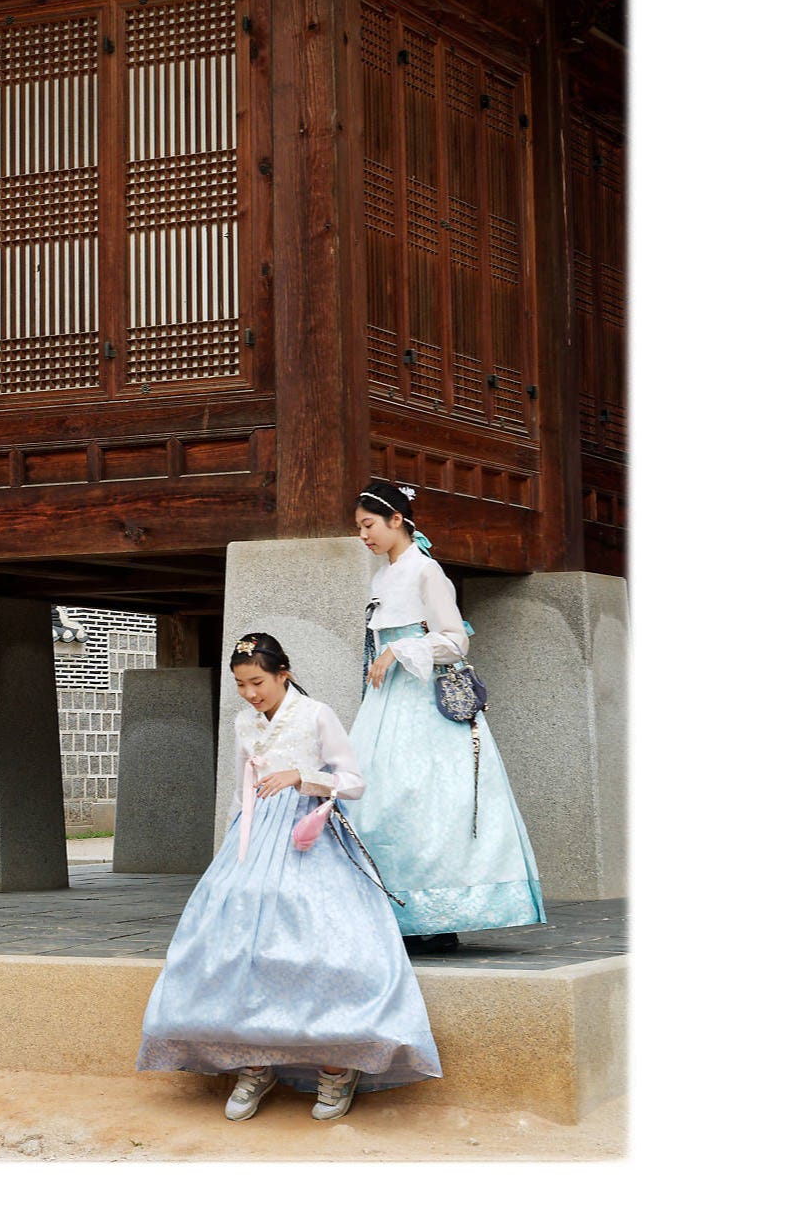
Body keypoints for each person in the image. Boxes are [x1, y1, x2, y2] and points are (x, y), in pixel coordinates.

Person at [136, 631, 441, 1122]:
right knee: (237, 945)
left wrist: (303, 777)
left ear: (284, 674)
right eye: (240, 685)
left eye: (257, 682)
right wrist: (232, 850)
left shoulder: (316, 714)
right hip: (255, 836)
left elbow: (354, 782)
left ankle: (336, 1067)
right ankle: (254, 1062)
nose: (250, 693)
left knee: (321, 946)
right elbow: (241, 790)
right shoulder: (244, 722)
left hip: (310, 837)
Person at [348, 477, 546, 951]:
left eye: (369, 524)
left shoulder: (426, 571)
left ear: (397, 519)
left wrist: (398, 650)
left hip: (424, 706)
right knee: (379, 802)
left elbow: (456, 640)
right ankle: (396, 914)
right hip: (386, 705)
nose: (363, 535)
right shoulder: (383, 577)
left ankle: (437, 920)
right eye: (359, 527)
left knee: (427, 804)